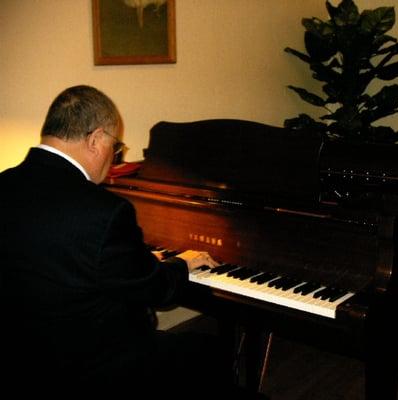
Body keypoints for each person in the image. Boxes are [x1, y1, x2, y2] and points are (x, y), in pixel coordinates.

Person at [0, 85, 263, 397]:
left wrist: (138, 263)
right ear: (95, 139)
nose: (113, 159)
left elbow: (70, 261)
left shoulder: (6, 184)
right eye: (116, 148)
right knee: (208, 349)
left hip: (25, 357)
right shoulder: (103, 210)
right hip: (97, 367)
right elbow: (158, 291)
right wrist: (181, 263)